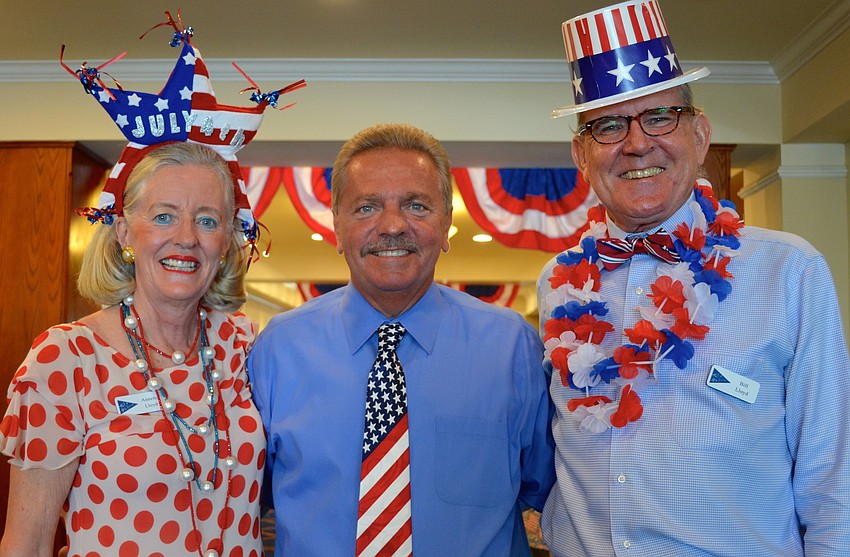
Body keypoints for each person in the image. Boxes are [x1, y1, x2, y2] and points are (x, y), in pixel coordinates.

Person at [537, 1, 850, 556]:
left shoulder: (788, 270)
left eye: (659, 117)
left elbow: (834, 483)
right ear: (581, 155)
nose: (636, 143)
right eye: (608, 125)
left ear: (700, 134)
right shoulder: (558, 284)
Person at [0, 12, 303, 557]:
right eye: (164, 216)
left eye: (208, 220)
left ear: (227, 239)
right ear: (123, 231)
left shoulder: (246, 348)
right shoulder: (65, 360)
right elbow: (27, 540)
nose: (186, 238)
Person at [248, 122, 555, 556]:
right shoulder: (276, 350)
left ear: (447, 222)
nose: (392, 225)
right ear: (336, 225)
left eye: (416, 205)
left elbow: (554, 492)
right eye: (366, 207)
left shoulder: (514, 350)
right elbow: (241, 501)